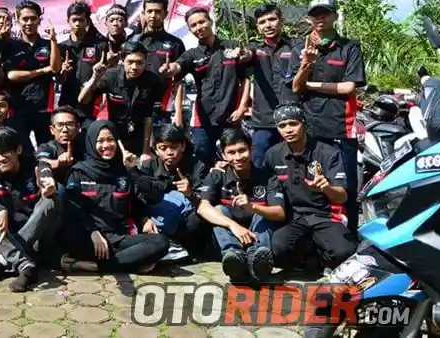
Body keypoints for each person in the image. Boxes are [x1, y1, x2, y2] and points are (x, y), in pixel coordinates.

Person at [289, 0, 365, 232]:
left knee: (345, 184)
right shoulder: (299, 49)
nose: (320, 18)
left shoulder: (349, 47)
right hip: (310, 128)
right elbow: (295, 87)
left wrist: (310, 84)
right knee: (312, 184)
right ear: (309, 18)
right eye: (315, 14)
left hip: (341, 127)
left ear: (335, 16)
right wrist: (306, 64)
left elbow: (348, 87)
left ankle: (349, 235)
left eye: (325, 13)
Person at [60, 120, 170, 274]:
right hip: (89, 238)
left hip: (118, 238)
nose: (106, 145)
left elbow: (153, 197)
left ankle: (93, 266)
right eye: (100, 141)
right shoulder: (79, 172)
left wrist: (133, 171)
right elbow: (73, 209)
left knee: (160, 242)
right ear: (91, 143)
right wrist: (92, 231)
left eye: (110, 140)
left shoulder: (124, 170)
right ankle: (130, 262)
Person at [0, 127, 62, 292]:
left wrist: (49, 187)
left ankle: (3, 262)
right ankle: (25, 265)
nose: (0, 159)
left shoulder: (35, 167)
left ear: (18, 149)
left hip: (35, 240)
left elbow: (45, 171)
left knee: (51, 200)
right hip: (3, 240)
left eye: (5, 152)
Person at [265, 103, 356, 271]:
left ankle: (319, 255)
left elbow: (342, 197)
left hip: (325, 216)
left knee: (345, 252)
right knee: (279, 248)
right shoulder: (273, 154)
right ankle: (309, 253)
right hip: (295, 218)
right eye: (282, 126)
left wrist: (326, 188)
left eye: (293, 123)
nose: (288, 130)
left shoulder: (329, 153)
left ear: (304, 123)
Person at [162, 6, 251, 169]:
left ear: (210, 21)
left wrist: (242, 108)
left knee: (234, 159)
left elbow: (245, 79)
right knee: (202, 160)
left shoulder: (232, 46)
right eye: (193, 25)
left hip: (231, 117)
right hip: (202, 120)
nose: (199, 27)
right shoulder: (192, 54)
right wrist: (170, 68)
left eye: (202, 22)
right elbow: (178, 66)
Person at [195, 129, 286, 283]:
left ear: (252, 149)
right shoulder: (217, 175)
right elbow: (202, 207)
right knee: (218, 210)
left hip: (258, 234)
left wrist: (252, 207)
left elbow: (280, 213)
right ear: (224, 155)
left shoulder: (268, 177)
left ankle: (257, 257)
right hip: (230, 235)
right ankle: (234, 257)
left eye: (242, 150)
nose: (237, 157)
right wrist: (233, 226)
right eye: (231, 152)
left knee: (264, 214)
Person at [78, 41, 163, 158]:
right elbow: (83, 100)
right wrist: (95, 78)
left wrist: (146, 150)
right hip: (114, 130)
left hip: (139, 131)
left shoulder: (152, 79)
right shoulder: (110, 76)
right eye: (130, 62)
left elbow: (149, 116)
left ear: (146, 61)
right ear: (123, 61)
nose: (134, 67)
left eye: (139, 63)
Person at [138, 125, 206, 258]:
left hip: (185, 218)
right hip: (157, 217)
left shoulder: (197, 166)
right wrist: (143, 219)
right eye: (163, 148)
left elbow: (206, 199)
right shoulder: (148, 166)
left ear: (183, 146)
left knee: (197, 220)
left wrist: (190, 193)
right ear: (155, 149)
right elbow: (139, 197)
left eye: (174, 147)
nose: (169, 152)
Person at [245, 3, 299, 168]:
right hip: (264, 121)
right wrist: (241, 54)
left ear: (281, 21)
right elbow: (246, 55)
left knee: (295, 165)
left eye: (272, 19)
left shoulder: (297, 46)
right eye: (262, 22)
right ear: (257, 27)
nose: (267, 25)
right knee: (258, 165)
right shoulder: (255, 49)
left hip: (294, 120)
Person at [3, 0, 62, 148]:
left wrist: (53, 40)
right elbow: (11, 76)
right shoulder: (11, 46)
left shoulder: (48, 44)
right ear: (18, 21)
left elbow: (55, 68)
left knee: (48, 149)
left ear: (39, 20)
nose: (29, 23)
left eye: (33, 18)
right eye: (25, 19)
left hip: (44, 108)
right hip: (18, 108)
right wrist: (42, 70)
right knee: (21, 151)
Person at [128, 0, 186, 130]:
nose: (153, 15)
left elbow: (179, 82)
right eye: (149, 11)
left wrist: (178, 114)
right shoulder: (133, 41)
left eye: (158, 11)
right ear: (143, 14)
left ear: (165, 14)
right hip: (135, 107)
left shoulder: (175, 44)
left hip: (162, 109)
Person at [57, 2, 108, 122]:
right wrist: (62, 73)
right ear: (68, 21)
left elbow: (106, 77)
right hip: (67, 105)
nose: (77, 24)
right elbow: (57, 80)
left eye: (81, 20)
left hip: (91, 106)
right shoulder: (61, 47)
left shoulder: (100, 46)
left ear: (87, 22)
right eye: (74, 20)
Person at [35, 106, 85, 183]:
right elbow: (41, 161)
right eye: (60, 125)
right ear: (52, 130)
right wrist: (58, 163)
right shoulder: (47, 147)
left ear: (78, 127)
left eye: (70, 124)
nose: (65, 130)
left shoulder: (86, 146)